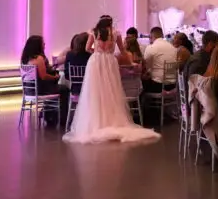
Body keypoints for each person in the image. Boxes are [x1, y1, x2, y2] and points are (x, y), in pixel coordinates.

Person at [62, 16, 160, 144]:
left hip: (96, 62)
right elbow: (123, 50)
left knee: (95, 91)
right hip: (109, 61)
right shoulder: (115, 33)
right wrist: (131, 62)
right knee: (111, 90)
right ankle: (112, 120)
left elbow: (86, 48)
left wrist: (96, 51)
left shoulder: (93, 32)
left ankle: (96, 122)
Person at [21, 35, 69, 127]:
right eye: (42, 43)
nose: (44, 44)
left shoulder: (25, 58)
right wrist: (55, 77)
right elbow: (43, 76)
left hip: (29, 90)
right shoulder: (39, 58)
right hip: (40, 90)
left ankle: (48, 114)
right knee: (64, 89)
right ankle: (60, 119)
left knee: (57, 88)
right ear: (37, 45)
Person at [180, 30, 218, 98]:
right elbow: (197, 86)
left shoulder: (202, 56)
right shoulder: (198, 61)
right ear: (210, 44)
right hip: (195, 101)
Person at [142, 26, 177, 95]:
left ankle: (145, 105)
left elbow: (146, 65)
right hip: (173, 85)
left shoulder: (151, 47)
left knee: (141, 81)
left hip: (158, 86)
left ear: (151, 36)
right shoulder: (173, 47)